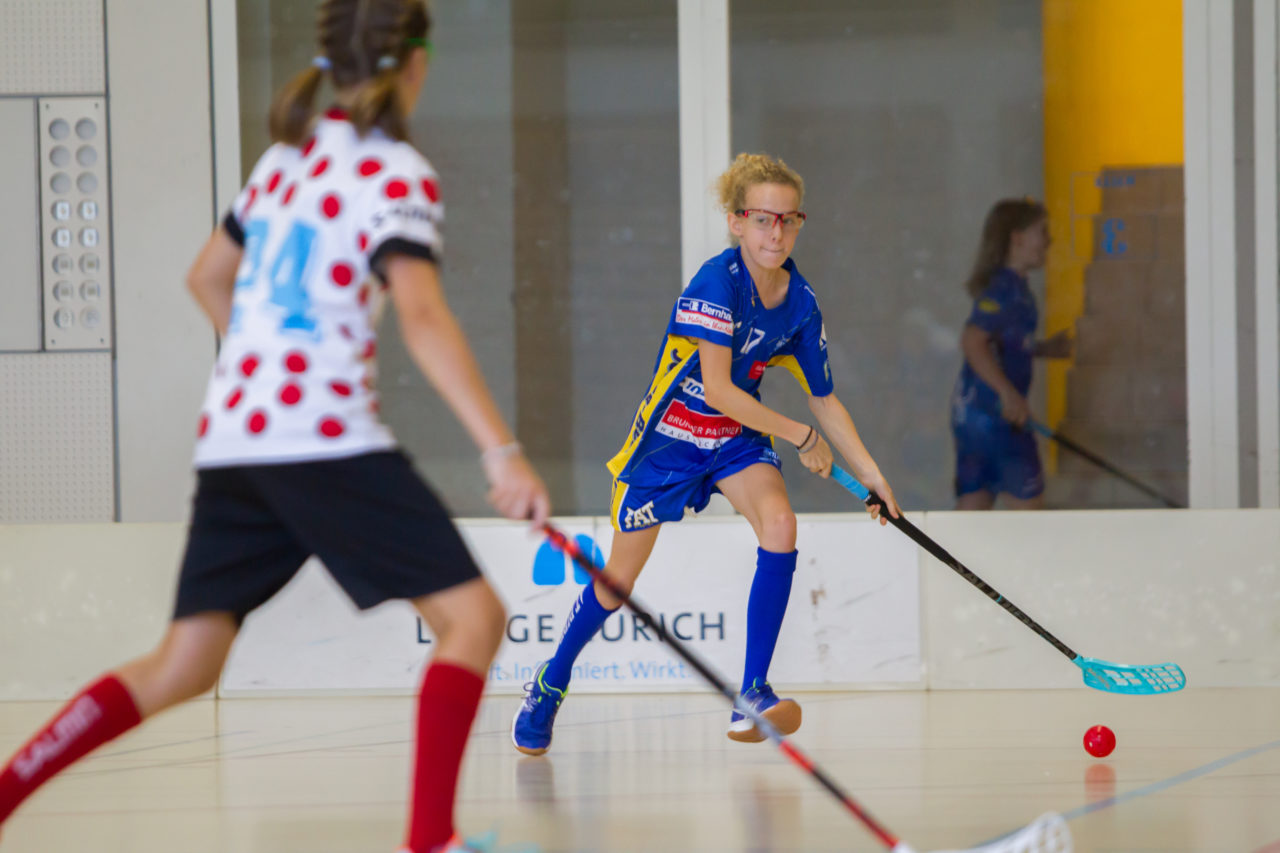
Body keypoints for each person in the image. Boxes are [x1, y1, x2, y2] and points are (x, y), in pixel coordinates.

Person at [0, 3, 548, 852]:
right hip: (318, 438)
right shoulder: (397, 171)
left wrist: (266, 352)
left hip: (235, 440)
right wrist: (501, 451)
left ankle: (4, 792)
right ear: (416, 64)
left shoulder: (284, 163)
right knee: (473, 618)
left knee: (184, 663)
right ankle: (430, 841)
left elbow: (205, 278)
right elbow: (425, 314)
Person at [511, 153, 900, 756]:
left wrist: (874, 477)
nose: (776, 232)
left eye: (789, 220)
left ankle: (752, 692)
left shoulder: (801, 304)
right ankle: (551, 679)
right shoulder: (716, 283)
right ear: (735, 222)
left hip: (736, 440)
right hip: (668, 442)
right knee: (616, 584)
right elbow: (717, 389)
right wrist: (798, 437)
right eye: (762, 219)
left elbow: (824, 400)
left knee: (780, 523)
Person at [951, 198, 1073, 510]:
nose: (1049, 240)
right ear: (1017, 238)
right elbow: (973, 340)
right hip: (998, 420)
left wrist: (1044, 349)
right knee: (1028, 520)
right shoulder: (1006, 290)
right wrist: (1008, 394)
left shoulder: (1015, 289)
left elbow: (1004, 343)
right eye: (1042, 232)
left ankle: (952, 561)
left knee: (973, 508)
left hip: (974, 419)